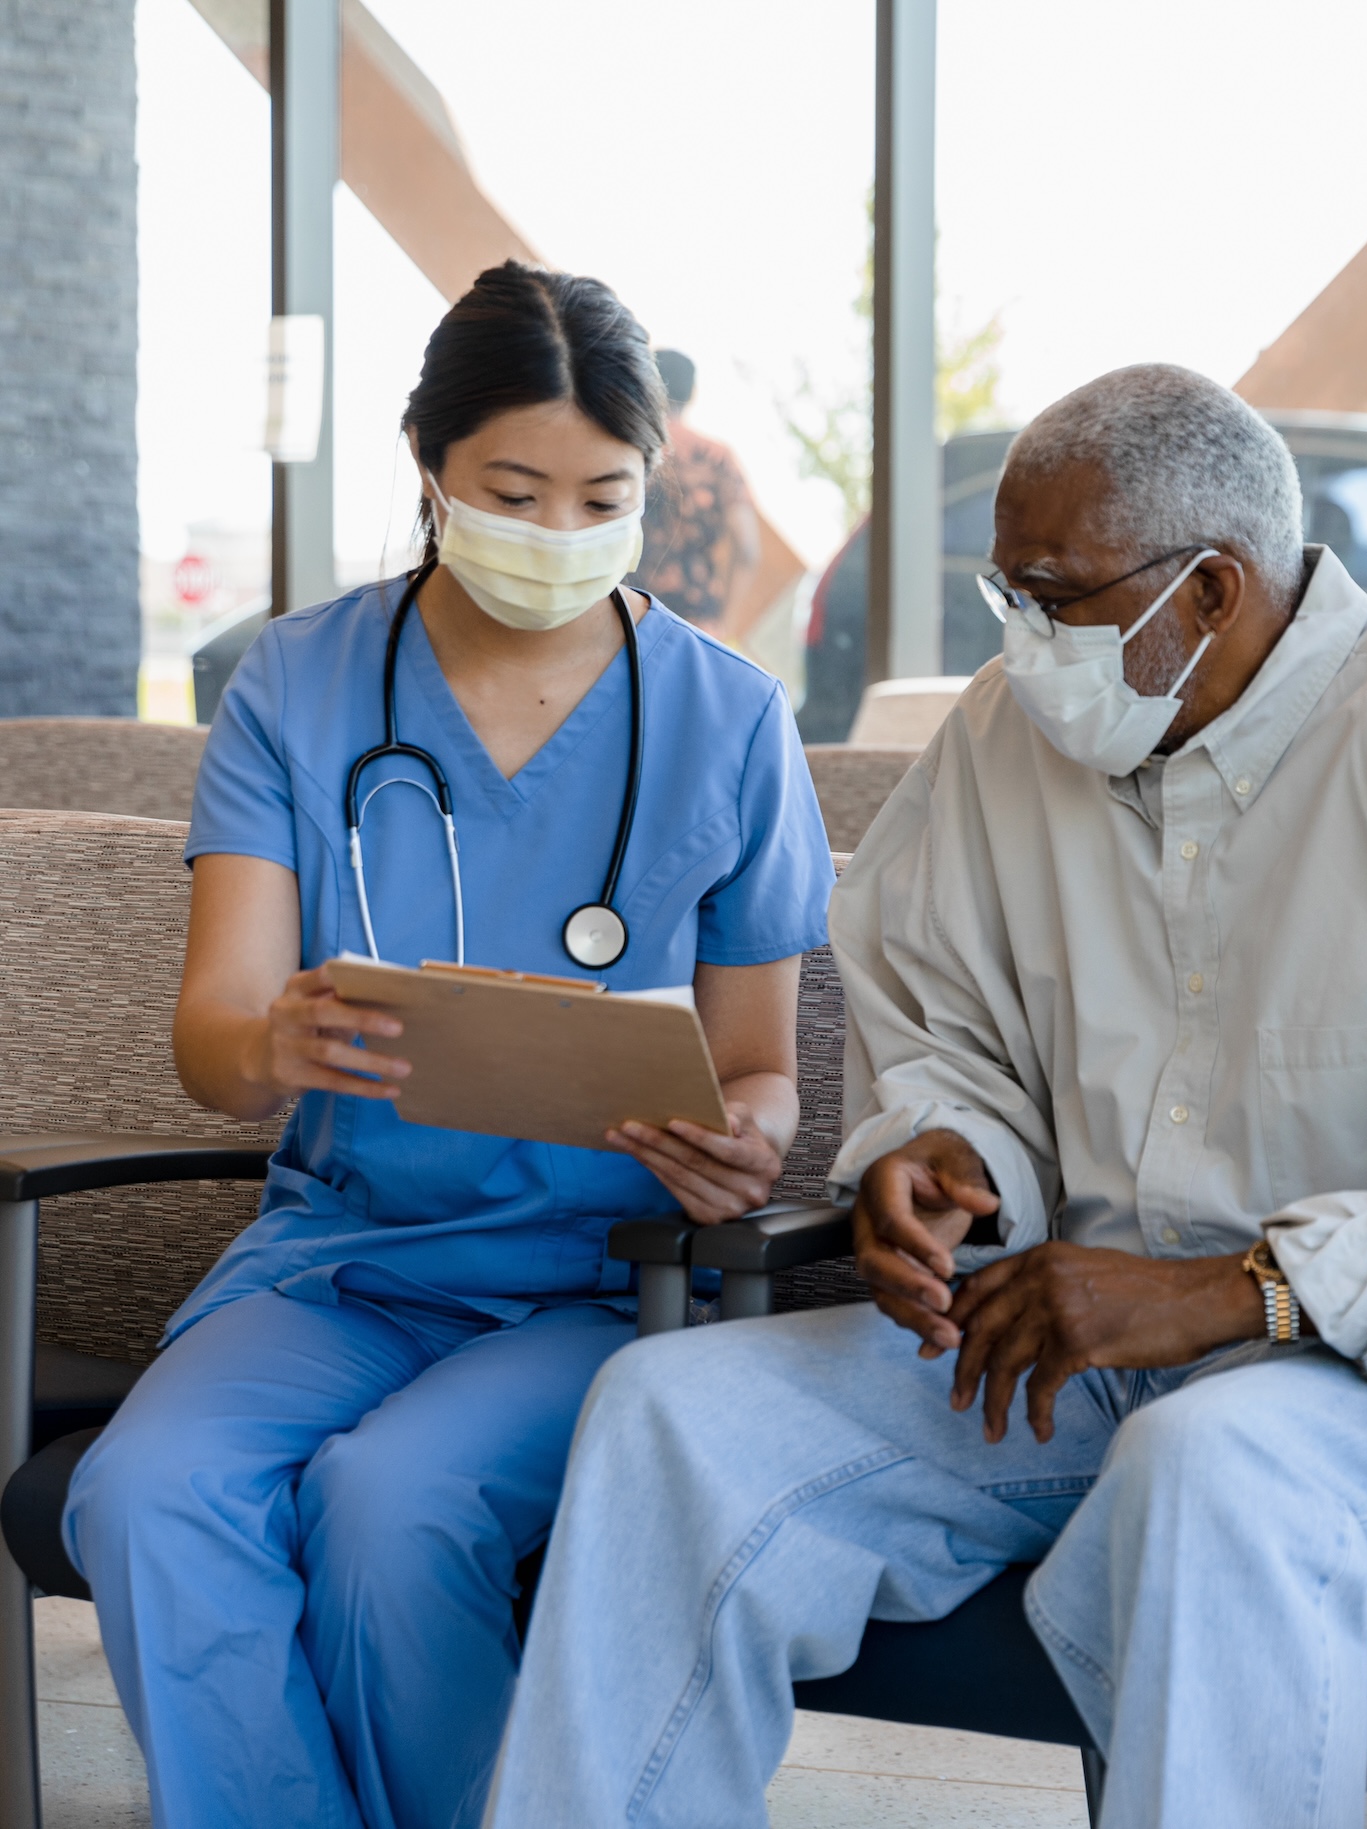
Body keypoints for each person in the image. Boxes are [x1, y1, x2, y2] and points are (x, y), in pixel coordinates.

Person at [484, 366, 1367, 1827]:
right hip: (1079, 1359)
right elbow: (943, 1027)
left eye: (1053, 597)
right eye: (1003, 592)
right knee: (665, 1414)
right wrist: (940, 1154)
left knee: (1212, 1461)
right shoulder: (1014, 733)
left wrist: (1245, 1293)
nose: (1017, 638)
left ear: (1207, 589)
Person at [62, 263, 834, 1829]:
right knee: (144, 1494)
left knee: (392, 1506)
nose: (556, 532)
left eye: (601, 492)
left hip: (600, 1279)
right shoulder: (300, 684)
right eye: (512, 488)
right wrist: (278, 1038)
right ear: (430, 467)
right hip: (344, 1258)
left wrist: (741, 1140)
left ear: (651, 478)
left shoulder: (729, 722)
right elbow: (215, 1046)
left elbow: (764, 1072)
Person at [630, 347, 762, 632]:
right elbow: (748, 549)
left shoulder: (629, 446)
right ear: (692, 393)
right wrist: (724, 626)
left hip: (627, 611)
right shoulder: (717, 458)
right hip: (695, 619)